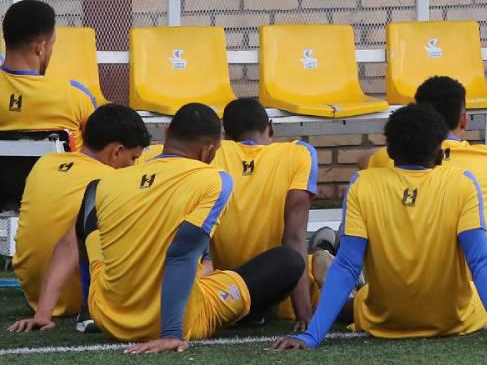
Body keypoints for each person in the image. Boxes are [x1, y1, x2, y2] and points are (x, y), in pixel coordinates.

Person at [273, 104, 487, 350]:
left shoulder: (362, 183)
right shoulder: (463, 183)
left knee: (359, 299)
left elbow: (347, 265)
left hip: (384, 324)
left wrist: (311, 337)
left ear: (389, 151)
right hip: (454, 322)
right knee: (478, 293)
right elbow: (481, 262)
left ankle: (329, 263)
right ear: (440, 154)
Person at [72, 103, 304, 351]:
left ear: (167, 130)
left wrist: (94, 304)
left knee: (93, 217)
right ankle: (250, 314)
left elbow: (88, 241)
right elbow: (182, 253)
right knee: (289, 261)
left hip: (108, 318)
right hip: (174, 322)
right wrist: (172, 333)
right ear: (208, 151)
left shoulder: (107, 182)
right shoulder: (215, 180)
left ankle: (87, 311)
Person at [363, 75, 487, 290]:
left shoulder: (387, 158)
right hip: (483, 283)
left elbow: (364, 160)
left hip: (409, 281)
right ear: (464, 120)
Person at [8, 104, 149, 324]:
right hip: (77, 297)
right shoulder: (111, 180)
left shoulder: (44, 163)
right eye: (133, 158)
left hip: (34, 293)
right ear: (117, 151)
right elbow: (70, 241)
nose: (133, 164)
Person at [204, 97, 318, 328]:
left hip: (223, 292)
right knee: (317, 265)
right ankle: (326, 251)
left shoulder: (211, 153)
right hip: (281, 291)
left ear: (226, 136)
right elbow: (294, 236)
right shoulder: (299, 153)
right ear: (271, 128)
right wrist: (304, 315)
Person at [0, 0, 96, 168]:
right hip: (60, 192)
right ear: (41, 47)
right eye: (52, 44)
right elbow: (100, 154)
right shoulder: (75, 96)